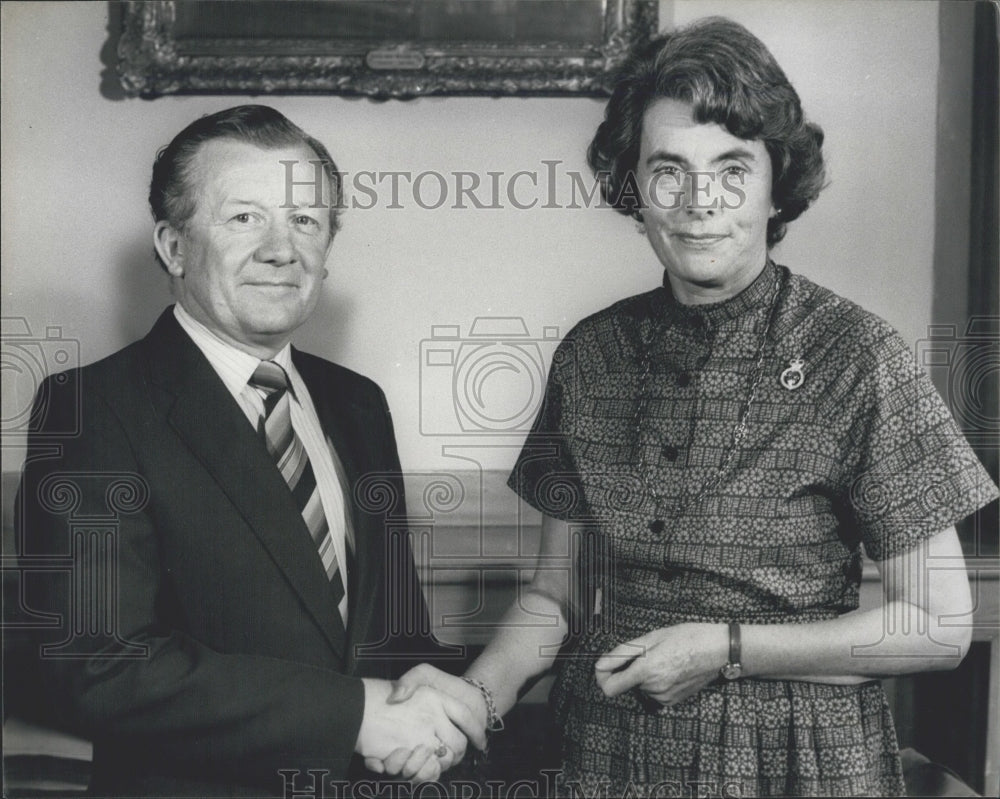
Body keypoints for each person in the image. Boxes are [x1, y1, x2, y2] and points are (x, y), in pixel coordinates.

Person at [385, 17, 999, 797]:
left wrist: (727, 647)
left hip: (793, 760)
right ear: (633, 187)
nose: (700, 201)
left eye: (733, 168)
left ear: (778, 181)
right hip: (610, 753)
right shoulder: (591, 354)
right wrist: (473, 697)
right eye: (668, 170)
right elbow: (556, 597)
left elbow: (938, 624)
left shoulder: (859, 355)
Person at [16, 105, 483, 797]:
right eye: (244, 218)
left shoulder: (357, 403)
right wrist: (357, 717)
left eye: (305, 221)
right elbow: (98, 663)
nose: (281, 248)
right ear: (174, 247)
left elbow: (389, 634)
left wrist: (450, 706)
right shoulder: (92, 409)